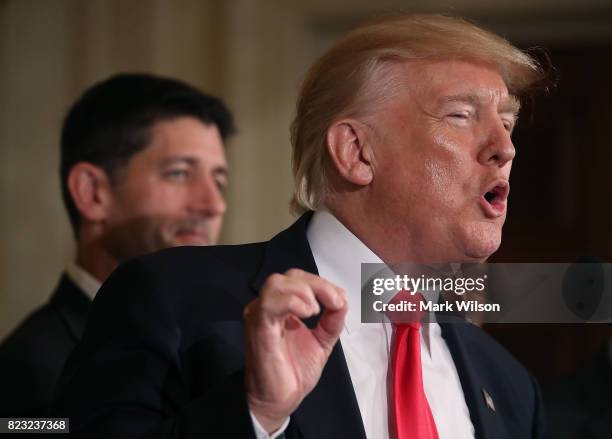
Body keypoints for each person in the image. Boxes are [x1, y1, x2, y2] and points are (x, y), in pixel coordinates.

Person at [55, 15, 549, 438]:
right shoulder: (170, 298)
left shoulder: (509, 385)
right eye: (461, 115)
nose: (504, 147)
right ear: (356, 152)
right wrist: (255, 413)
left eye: (507, 121)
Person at [0, 73, 235, 417]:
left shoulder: (220, 350)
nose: (214, 205)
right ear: (93, 192)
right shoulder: (32, 370)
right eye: (179, 173)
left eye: (219, 181)